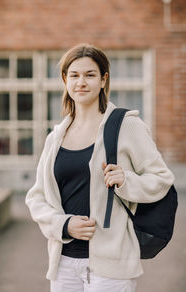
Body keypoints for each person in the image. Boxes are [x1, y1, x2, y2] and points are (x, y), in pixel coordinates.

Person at [25, 43, 174, 292]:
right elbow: (37, 197)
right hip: (63, 263)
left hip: (111, 267)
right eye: (74, 75)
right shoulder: (56, 136)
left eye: (90, 75)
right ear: (65, 80)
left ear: (103, 79)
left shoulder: (127, 126)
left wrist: (127, 181)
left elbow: (161, 178)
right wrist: (63, 225)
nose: (81, 82)